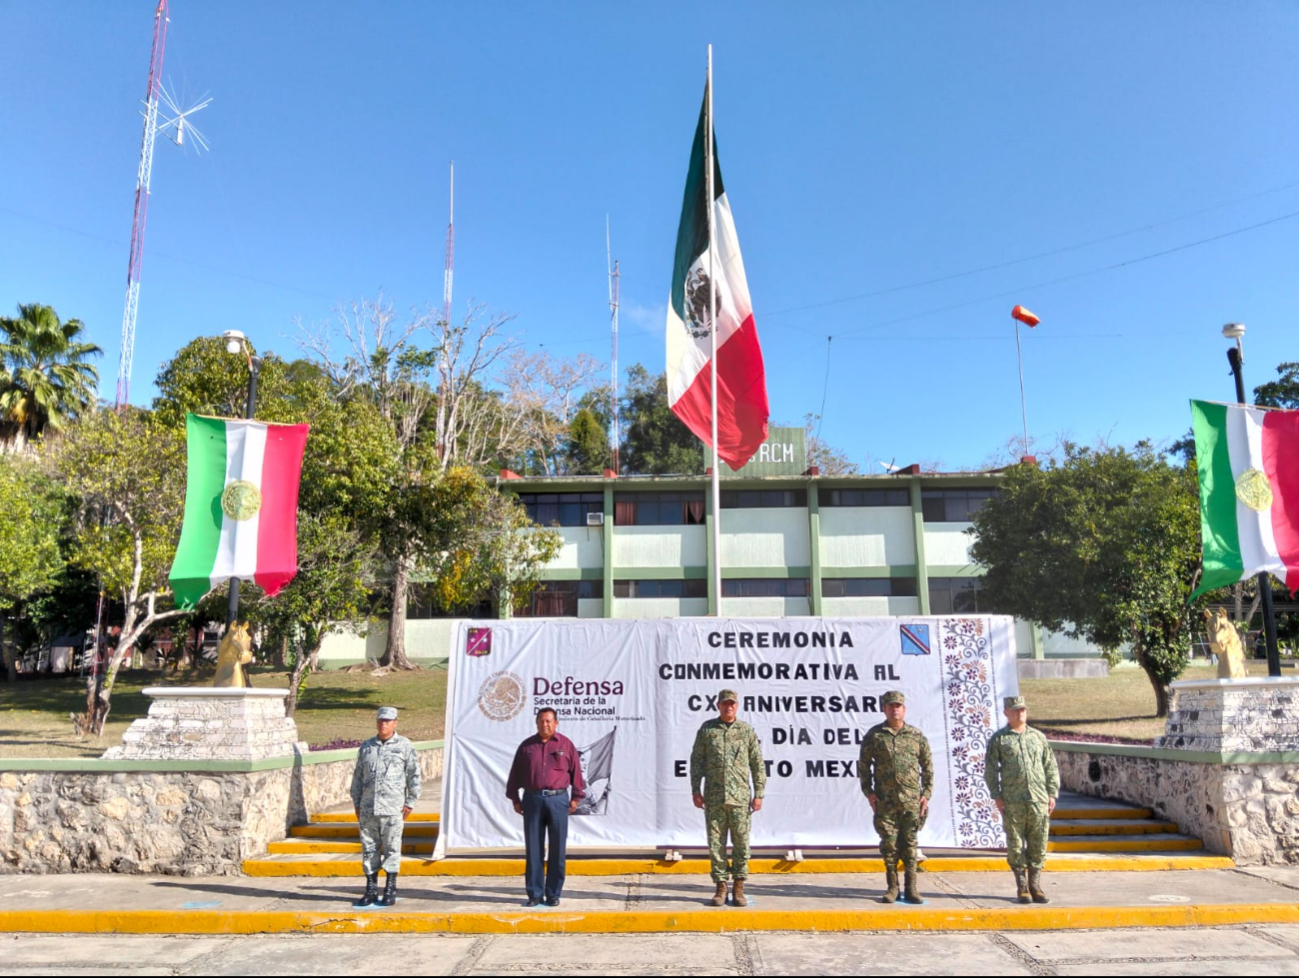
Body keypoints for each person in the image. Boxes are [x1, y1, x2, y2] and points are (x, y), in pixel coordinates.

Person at [689, 688, 766, 908]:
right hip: (714, 798)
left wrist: (759, 793)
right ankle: (721, 886)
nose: (728, 707)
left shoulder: (746, 731)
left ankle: (739, 886)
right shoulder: (707, 730)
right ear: (718, 706)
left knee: (742, 843)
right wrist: (696, 789)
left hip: (740, 798)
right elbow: (697, 761)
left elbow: (757, 764)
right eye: (725, 703)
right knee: (716, 845)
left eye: (732, 703)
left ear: (737, 706)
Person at [983, 694, 1060, 904]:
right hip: (1013, 801)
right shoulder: (999, 739)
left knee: (1038, 842)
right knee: (1016, 844)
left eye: (1023, 709)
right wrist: (997, 796)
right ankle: (1022, 886)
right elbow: (990, 771)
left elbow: (1050, 765)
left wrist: (1052, 793)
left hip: (1038, 799)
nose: (1020, 712)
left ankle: (1036, 884)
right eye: (1016, 709)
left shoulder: (1037, 737)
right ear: (1006, 712)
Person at [859, 689, 933, 904]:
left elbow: (927, 766)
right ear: (884, 709)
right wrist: (869, 793)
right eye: (891, 706)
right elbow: (864, 766)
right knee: (889, 846)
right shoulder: (875, 735)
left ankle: (912, 888)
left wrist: (926, 793)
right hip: (885, 801)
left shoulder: (916, 735)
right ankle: (892, 887)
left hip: (911, 800)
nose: (895, 709)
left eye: (898, 706)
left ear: (904, 709)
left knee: (910, 845)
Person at [506, 707, 585, 907]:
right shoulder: (527, 747)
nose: (545, 724)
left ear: (556, 723)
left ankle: (553, 893)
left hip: (558, 800)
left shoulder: (566, 745)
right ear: (536, 723)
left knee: (557, 849)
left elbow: (576, 773)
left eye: (549, 721)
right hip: (532, 800)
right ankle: (534, 893)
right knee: (534, 848)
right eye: (541, 720)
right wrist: (515, 798)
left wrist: (576, 797)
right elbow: (515, 773)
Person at [349, 706, 422, 908]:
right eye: (381, 720)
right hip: (368, 808)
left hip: (393, 808)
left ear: (395, 723)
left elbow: (413, 775)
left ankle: (390, 888)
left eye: (388, 721)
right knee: (369, 848)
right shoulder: (366, 747)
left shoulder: (405, 746)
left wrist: (411, 801)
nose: (384, 724)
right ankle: (371, 889)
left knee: (391, 848)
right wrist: (356, 801)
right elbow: (358, 777)